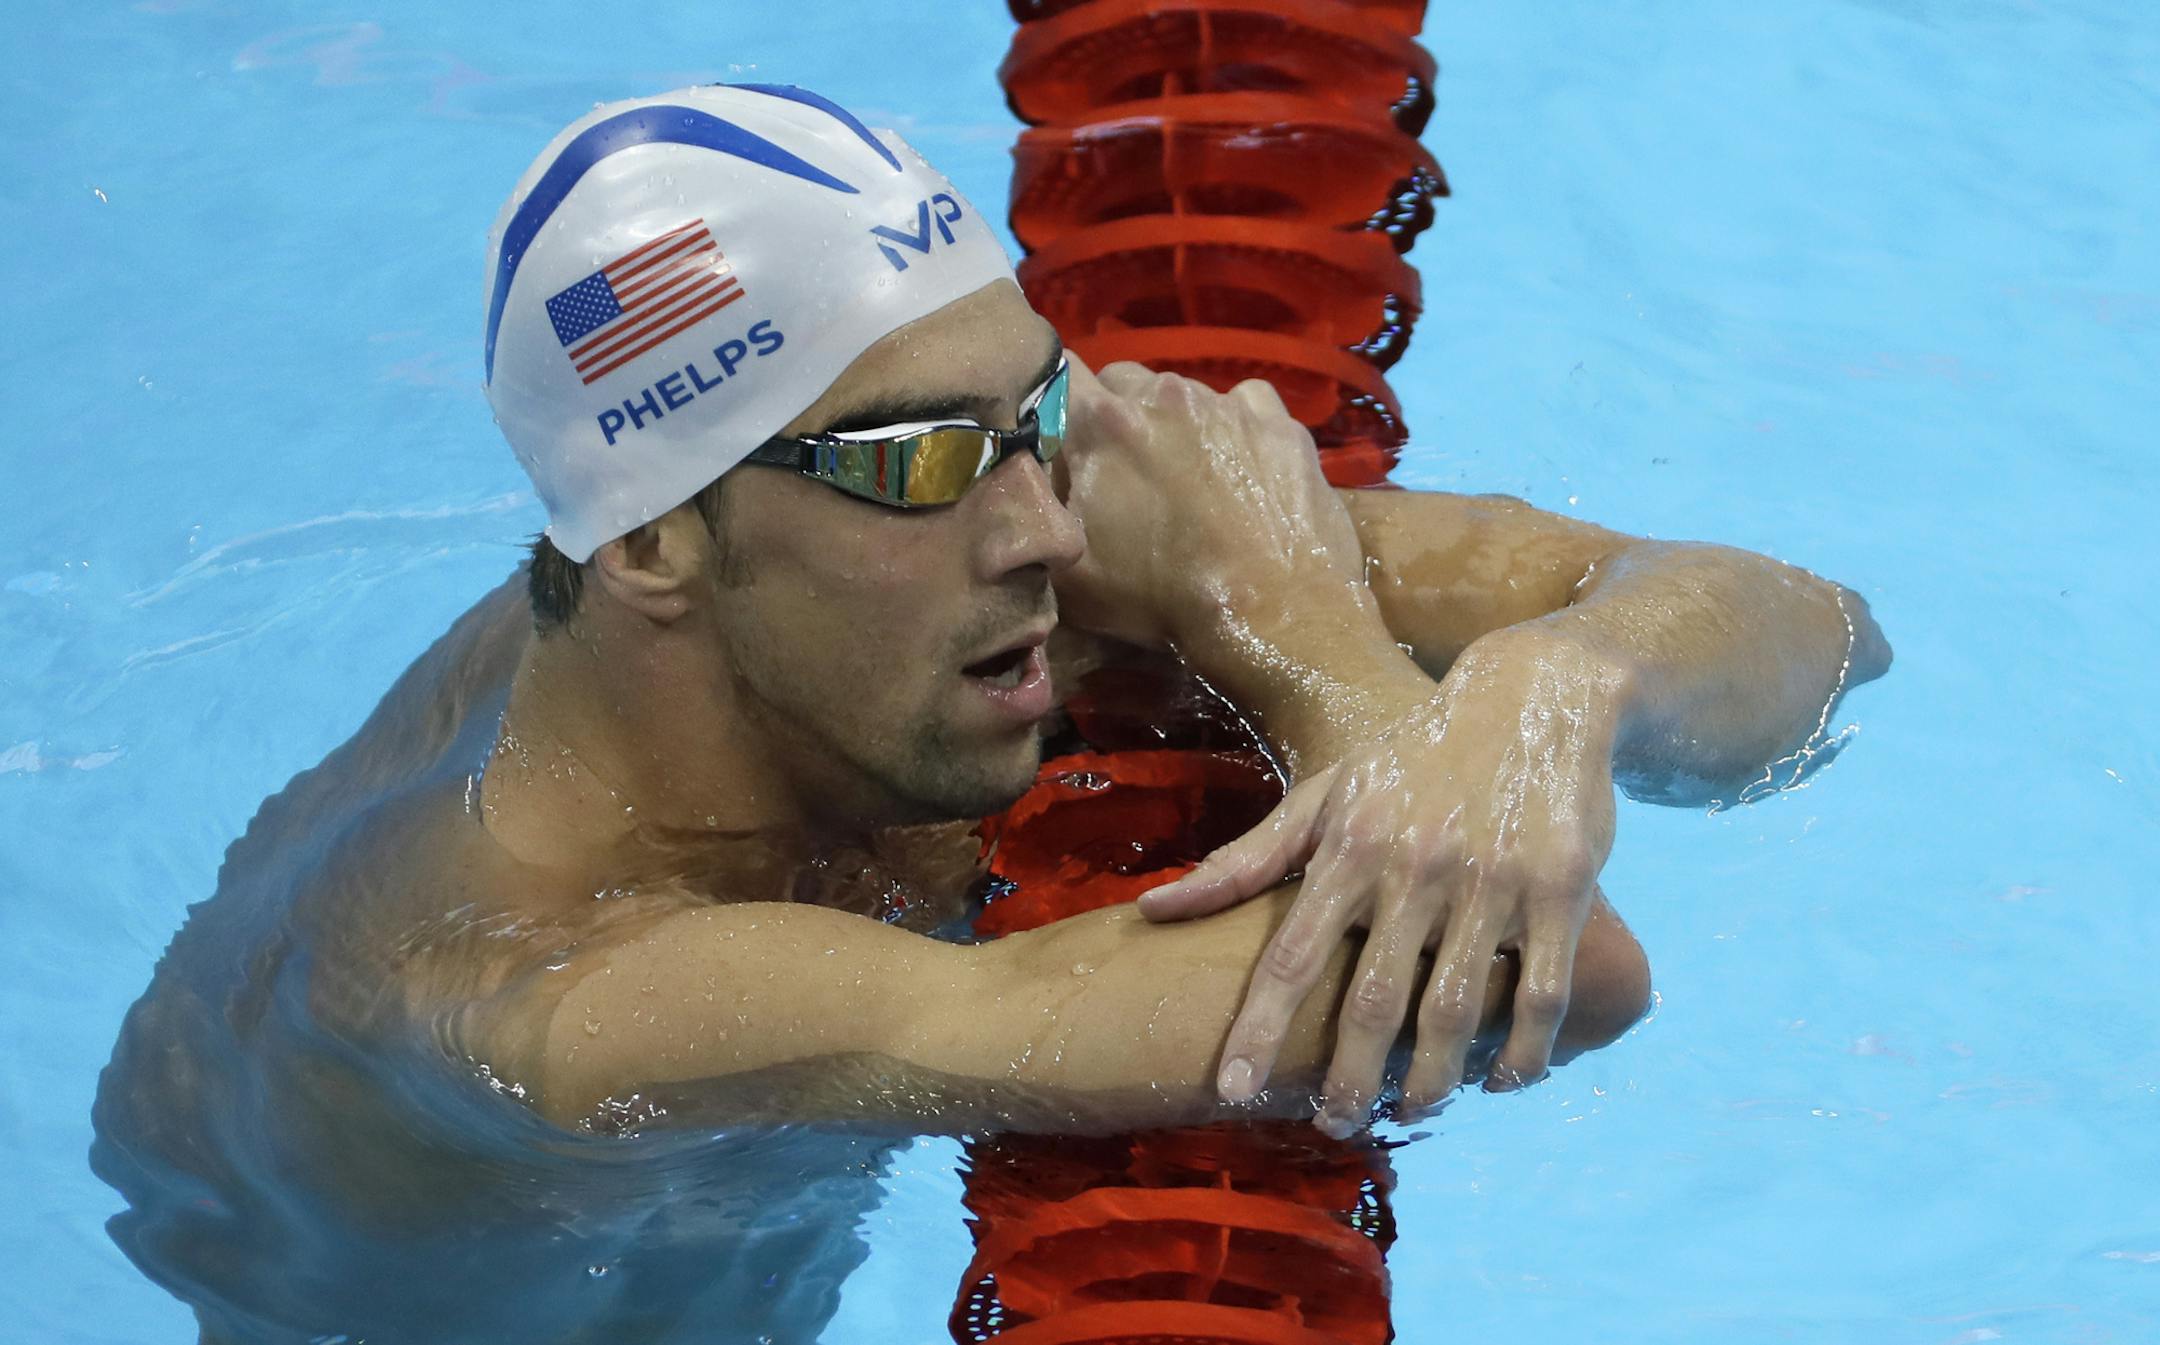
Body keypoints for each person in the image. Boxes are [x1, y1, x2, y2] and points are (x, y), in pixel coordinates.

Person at [94, 84, 1888, 1342]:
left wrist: (1563, 682)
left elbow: (1819, 633)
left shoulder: (870, 578)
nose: (1041, 519)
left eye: (1037, 412)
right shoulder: (570, 1003)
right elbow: (1561, 978)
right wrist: (1303, 647)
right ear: (655, 541)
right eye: (932, 455)